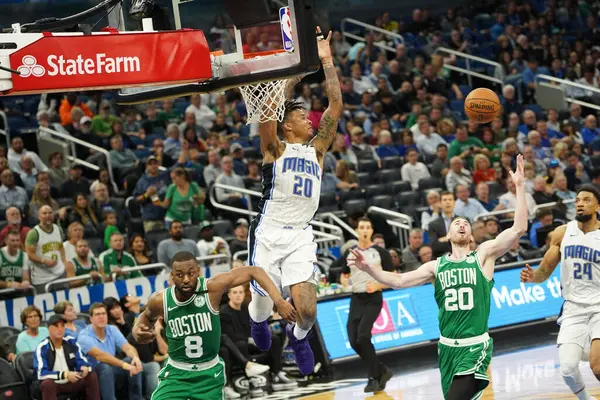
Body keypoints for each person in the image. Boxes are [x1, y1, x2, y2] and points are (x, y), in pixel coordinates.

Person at [348, 155, 528, 400]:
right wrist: (369, 269)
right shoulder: (436, 266)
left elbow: (518, 228)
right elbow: (399, 281)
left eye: (466, 223)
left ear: (471, 235)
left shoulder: (483, 256)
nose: (462, 225)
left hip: (475, 346)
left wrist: (519, 186)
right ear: (448, 234)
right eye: (457, 223)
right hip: (446, 349)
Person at [248, 27, 343, 376]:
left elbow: (336, 104)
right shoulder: (274, 148)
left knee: (308, 312)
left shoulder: (317, 150)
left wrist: (325, 59)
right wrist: (291, 74)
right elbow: (268, 109)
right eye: (302, 117)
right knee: (260, 306)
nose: (310, 118)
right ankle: (256, 321)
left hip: (301, 233)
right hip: (269, 231)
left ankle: (299, 338)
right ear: (287, 127)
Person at [131, 251, 297, 400]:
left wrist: (279, 300)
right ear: (172, 277)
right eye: (180, 275)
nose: (186, 279)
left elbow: (255, 271)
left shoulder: (212, 288)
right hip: (177, 372)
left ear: (198, 272)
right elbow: (145, 317)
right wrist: (138, 330)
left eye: (191, 273)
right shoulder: (160, 300)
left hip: (208, 373)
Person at [520, 184, 600, 400]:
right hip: (573, 308)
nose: (580, 203)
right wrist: (533, 277)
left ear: (597, 206)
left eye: (586, 200)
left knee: (597, 366)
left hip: (599, 308)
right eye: (578, 200)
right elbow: (545, 270)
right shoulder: (562, 233)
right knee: (567, 369)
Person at [340, 217, 394, 392]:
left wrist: (378, 285)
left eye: (367, 227)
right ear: (357, 230)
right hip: (356, 299)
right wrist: (345, 282)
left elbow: (393, 277)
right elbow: (343, 274)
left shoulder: (380, 252)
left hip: (373, 298)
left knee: (363, 336)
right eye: (361, 227)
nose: (364, 230)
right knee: (353, 341)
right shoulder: (350, 252)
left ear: (371, 231)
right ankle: (382, 370)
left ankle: (373, 376)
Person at [77, 303, 143, 400]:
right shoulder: (84, 335)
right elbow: (100, 356)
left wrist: (135, 358)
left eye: (103, 314)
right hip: (93, 373)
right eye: (97, 314)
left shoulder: (112, 329)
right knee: (105, 367)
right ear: (91, 319)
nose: (101, 317)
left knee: (131, 362)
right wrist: (124, 365)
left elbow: (128, 347)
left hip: (113, 367)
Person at [33, 314, 100, 400]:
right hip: (55, 384)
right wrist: (65, 375)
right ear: (49, 329)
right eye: (56, 326)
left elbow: (81, 360)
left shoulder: (71, 341)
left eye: (62, 326)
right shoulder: (42, 347)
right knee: (47, 384)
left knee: (91, 375)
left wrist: (84, 367)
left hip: (71, 381)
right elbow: (41, 373)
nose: (60, 329)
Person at [25, 206, 72, 293]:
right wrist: (44, 261)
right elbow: (30, 254)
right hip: (42, 278)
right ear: (39, 216)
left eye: (50, 213)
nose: (48, 215)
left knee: (64, 303)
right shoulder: (33, 233)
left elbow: (60, 246)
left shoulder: (58, 228)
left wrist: (64, 261)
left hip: (59, 273)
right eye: (44, 213)